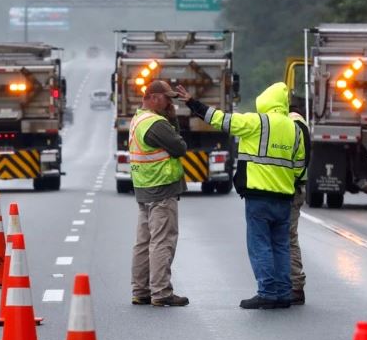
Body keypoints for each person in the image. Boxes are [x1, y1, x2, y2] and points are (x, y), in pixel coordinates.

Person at [176, 82, 305, 309]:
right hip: (285, 197)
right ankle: (284, 293)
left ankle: (267, 292)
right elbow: (299, 165)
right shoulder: (294, 128)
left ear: (265, 101)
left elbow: (220, 119)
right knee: (281, 245)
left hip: (259, 197)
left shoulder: (257, 122)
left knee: (260, 245)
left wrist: (191, 102)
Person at [128, 80, 189, 307]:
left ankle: (140, 291)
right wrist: (172, 119)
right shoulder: (156, 123)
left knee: (143, 242)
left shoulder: (138, 119)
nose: (169, 103)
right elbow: (180, 147)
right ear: (153, 97)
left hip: (144, 187)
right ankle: (161, 292)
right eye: (167, 98)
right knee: (162, 241)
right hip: (161, 187)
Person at [288, 108, 310, 305]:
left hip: (291, 190)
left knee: (287, 237)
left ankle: (295, 286)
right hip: (297, 188)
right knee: (289, 237)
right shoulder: (302, 124)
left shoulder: (292, 125)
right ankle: (293, 285)